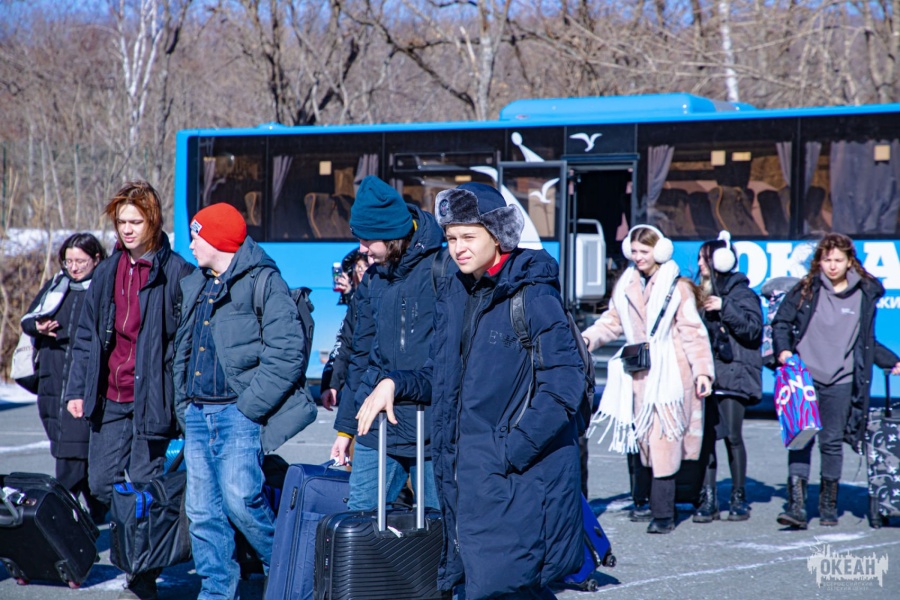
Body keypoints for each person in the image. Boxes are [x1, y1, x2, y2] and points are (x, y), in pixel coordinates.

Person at [356, 182, 584, 600]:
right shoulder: (458, 292)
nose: (458, 248)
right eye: (451, 238)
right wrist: (395, 382)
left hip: (514, 478)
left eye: (468, 237)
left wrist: (509, 451)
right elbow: (440, 376)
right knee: (494, 584)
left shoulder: (532, 294)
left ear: (497, 236)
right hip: (471, 477)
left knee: (506, 585)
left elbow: (565, 385)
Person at [173, 202, 316, 600]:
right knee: (202, 513)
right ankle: (217, 592)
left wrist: (248, 407)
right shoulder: (197, 283)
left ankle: (289, 575)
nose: (191, 245)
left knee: (241, 501)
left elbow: (287, 353)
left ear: (218, 240)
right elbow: (183, 349)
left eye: (197, 236)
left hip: (237, 412)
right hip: (198, 412)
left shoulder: (263, 280)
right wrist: (184, 404)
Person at [65, 180, 194, 600]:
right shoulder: (107, 271)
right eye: (121, 221)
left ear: (152, 221)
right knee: (102, 483)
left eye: (135, 221)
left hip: (152, 400)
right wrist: (77, 389)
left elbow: (186, 343)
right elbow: (86, 335)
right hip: (111, 397)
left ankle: (143, 573)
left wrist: (179, 397)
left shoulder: (177, 273)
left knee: (143, 484)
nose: (127, 229)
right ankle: (136, 544)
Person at [583, 224, 714, 534]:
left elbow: (693, 333)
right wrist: (585, 340)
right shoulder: (626, 284)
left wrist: (703, 372)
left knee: (664, 442)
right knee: (645, 444)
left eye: (644, 251)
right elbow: (611, 322)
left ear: (660, 250)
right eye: (634, 251)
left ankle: (663, 514)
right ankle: (652, 504)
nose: (638, 257)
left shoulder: (678, 287)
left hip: (671, 376)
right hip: (639, 375)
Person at [773, 232, 900, 529]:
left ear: (849, 261)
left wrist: (892, 360)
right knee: (800, 440)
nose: (832, 266)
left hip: (841, 379)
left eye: (838, 260)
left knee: (831, 442)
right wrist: (784, 350)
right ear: (819, 261)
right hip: (804, 378)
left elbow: (866, 341)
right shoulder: (806, 288)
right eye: (827, 259)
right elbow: (781, 322)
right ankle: (796, 507)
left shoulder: (864, 294)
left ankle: (828, 506)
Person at [329, 175, 441, 511]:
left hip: (431, 427)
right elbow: (361, 356)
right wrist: (346, 430)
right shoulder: (372, 279)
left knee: (439, 525)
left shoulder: (442, 271)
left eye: (367, 240)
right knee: (360, 518)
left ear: (391, 235)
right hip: (377, 427)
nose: (361, 249)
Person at [21, 233, 108, 522]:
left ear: (97, 259)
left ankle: (61, 522)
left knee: (72, 460)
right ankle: (96, 519)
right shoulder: (58, 285)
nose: (73, 267)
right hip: (53, 381)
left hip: (82, 383)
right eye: (68, 261)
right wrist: (39, 327)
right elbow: (28, 319)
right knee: (72, 456)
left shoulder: (103, 288)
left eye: (80, 261)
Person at [694, 231, 763, 523]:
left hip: (734, 375)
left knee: (733, 436)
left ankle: (738, 496)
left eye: (704, 258)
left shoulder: (741, 292)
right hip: (707, 376)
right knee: (707, 438)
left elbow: (753, 330)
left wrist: (725, 307)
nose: (699, 264)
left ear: (720, 260)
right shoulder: (700, 292)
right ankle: (708, 498)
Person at [319, 249, 370, 411]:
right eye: (359, 268)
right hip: (357, 383)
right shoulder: (358, 298)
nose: (362, 272)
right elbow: (344, 342)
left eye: (366, 266)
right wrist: (330, 383)